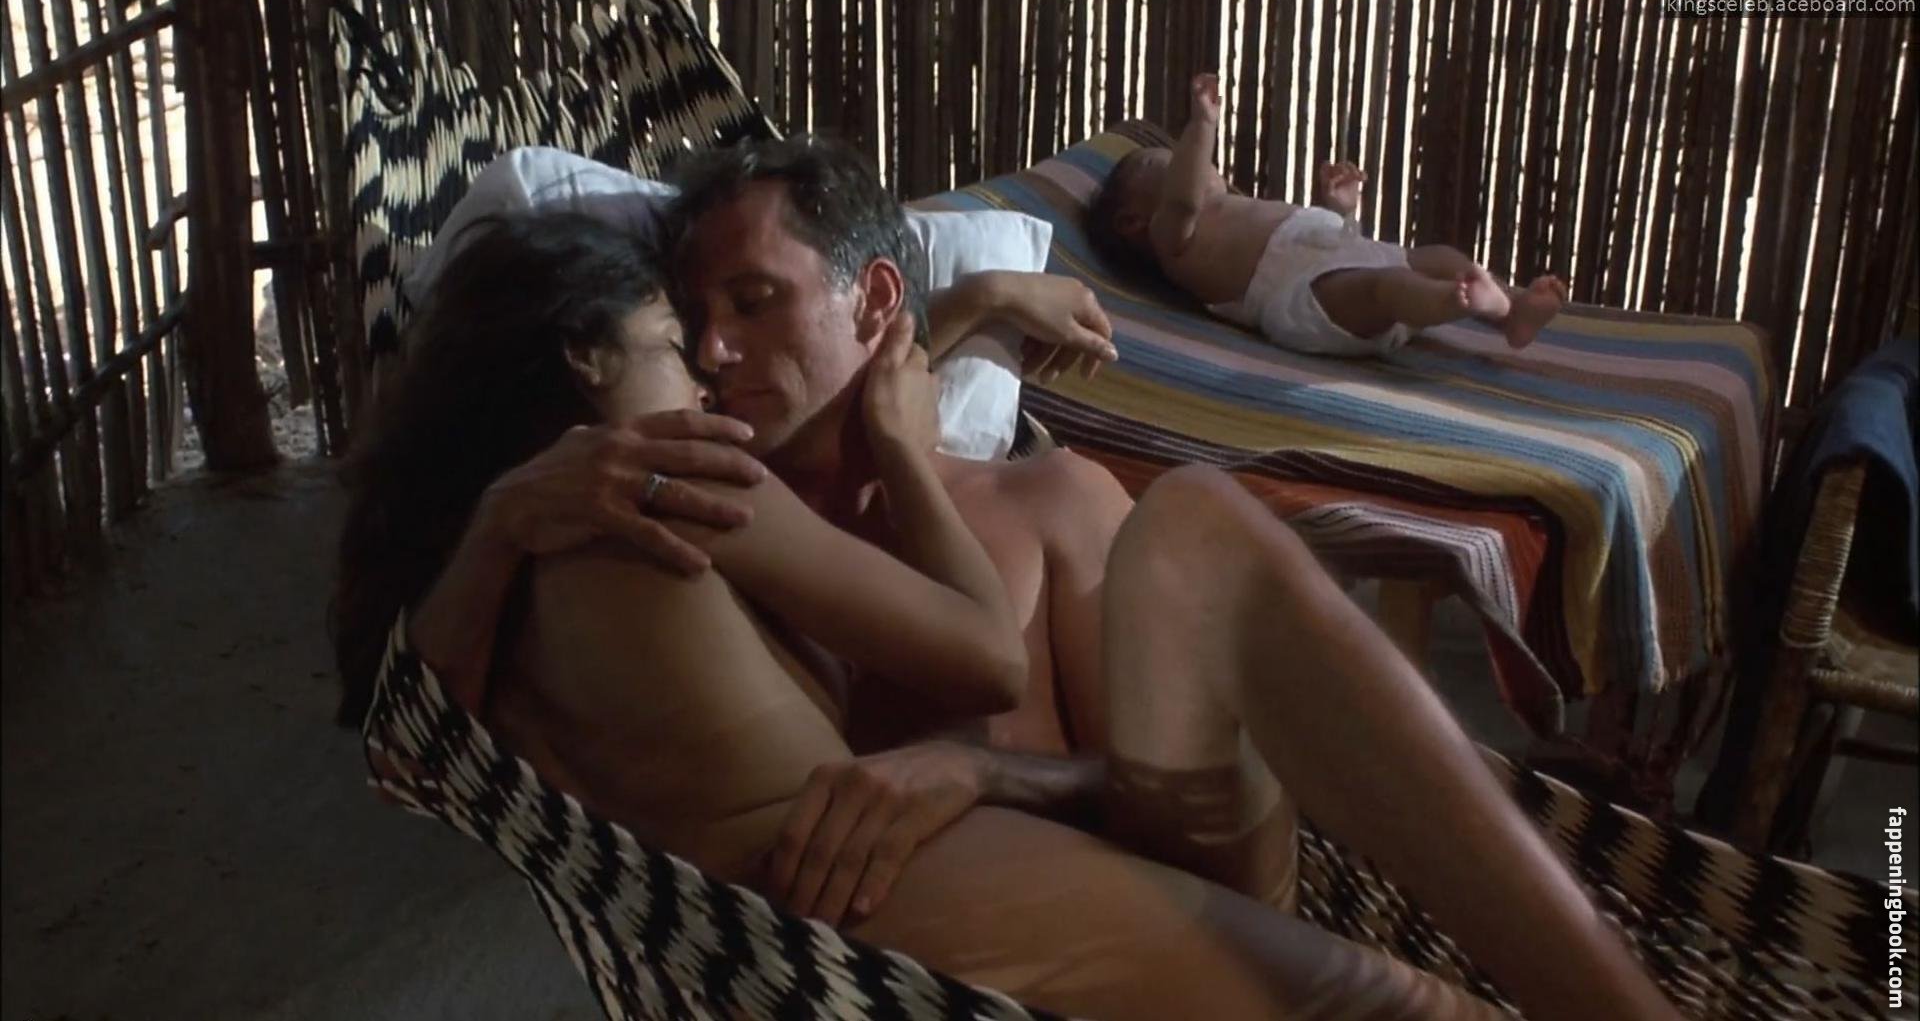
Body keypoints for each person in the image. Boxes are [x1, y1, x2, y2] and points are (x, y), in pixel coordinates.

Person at [339, 139, 1682, 1021]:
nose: (715, 357)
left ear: (875, 304)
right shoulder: (666, 507)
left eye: (753, 304)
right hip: (884, 965)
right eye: (691, 326)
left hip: (1165, 894)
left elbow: (1174, 807)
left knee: (1197, 525)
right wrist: (503, 519)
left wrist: (987, 773)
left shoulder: (1036, 504)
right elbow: (435, 750)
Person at [1089, 73, 1567, 355]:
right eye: (1162, 162)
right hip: (1299, 297)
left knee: (1436, 256)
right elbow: (1183, 198)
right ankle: (1456, 301)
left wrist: (1337, 210)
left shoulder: (1235, 204)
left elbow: (1313, 242)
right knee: (1386, 288)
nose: (1182, 159)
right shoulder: (1173, 237)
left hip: (1342, 253)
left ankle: (1510, 314)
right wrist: (1201, 125)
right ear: (1132, 221)